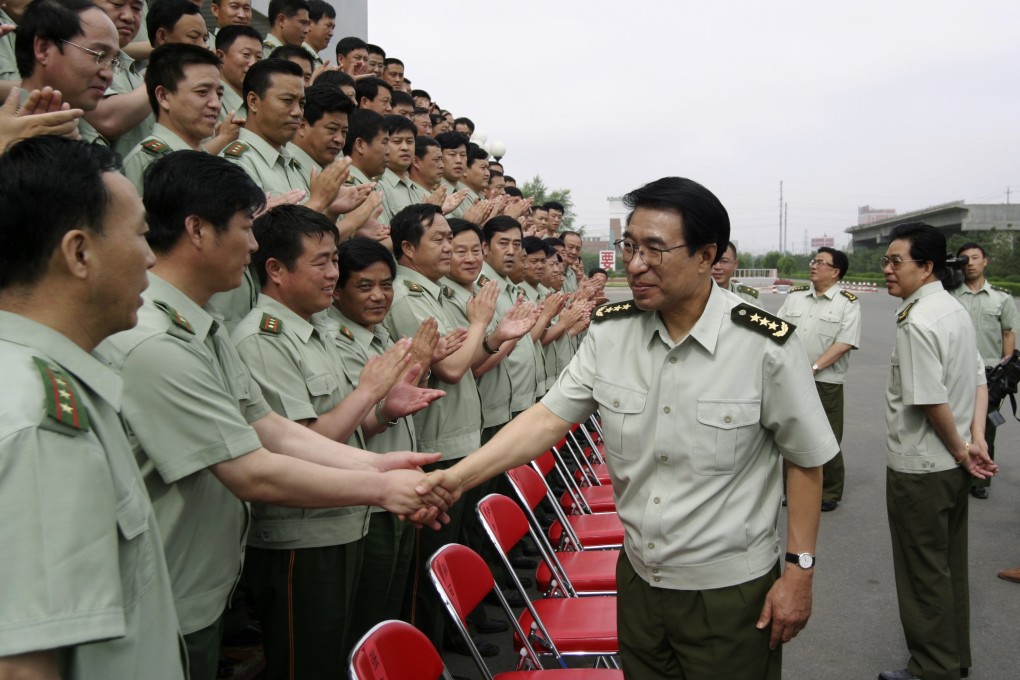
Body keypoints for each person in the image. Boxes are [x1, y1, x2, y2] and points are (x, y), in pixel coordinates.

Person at [422, 176, 839, 680]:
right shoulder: (612, 331)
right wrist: (456, 479)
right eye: (629, 247)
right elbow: (548, 418)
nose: (635, 265)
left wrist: (799, 571)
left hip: (729, 591)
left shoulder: (765, 344)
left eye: (655, 250)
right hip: (639, 579)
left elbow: (805, 460)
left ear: (708, 256)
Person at [97, 151, 450, 680]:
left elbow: (271, 429)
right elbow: (251, 469)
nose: (255, 245)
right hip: (169, 588)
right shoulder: (156, 341)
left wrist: (381, 465)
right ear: (198, 230)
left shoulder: (202, 328)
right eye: (245, 228)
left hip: (202, 577)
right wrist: (380, 487)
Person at [0, 136, 186, 680]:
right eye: (140, 236)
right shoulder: (42, 421)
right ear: (79, 253)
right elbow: (24, 666)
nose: (151, 256)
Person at [232, 205, 443, 676]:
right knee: (309, 661)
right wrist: (370, 394)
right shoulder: (262, 339)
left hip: (345, 517)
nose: (333, 274)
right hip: (301, 532)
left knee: (352, 649)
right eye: (323, 263)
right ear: (276, 270)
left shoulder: (314, 331)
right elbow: (296, 442)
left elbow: (340, 431)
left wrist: (384, 408)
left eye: (334, 261)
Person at [878, 222, 996, 680]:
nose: (887, 269)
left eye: (895, 261)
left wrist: (965, 448)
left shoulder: (918, 320)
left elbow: (930, 399)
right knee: (949, 566)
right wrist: (976, 440)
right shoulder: (953, 308)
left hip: (922, 467)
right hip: (952, 463)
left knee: (922, 572)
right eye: (886, 261)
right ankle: (954, 657)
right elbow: (979, 379)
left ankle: (932, 669)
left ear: (926, 267)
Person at [777, 247, 861, 512]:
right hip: (791, 378)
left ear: (836, 272)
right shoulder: (795, 297)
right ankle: (793, 488)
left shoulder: (847, 302)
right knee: (791, 434)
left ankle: (830, 491)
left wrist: (813, 367)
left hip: (826, 380)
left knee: (827, 437)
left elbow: (845, 342)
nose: (814, 266)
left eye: (821, 263)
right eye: (814, 261)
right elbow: (778, 329)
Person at [950, 242, 1018, 501]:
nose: (970, 263)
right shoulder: (951, 296)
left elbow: (1008, 333)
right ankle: (958, 471)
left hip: (990, 374)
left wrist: (1006, 369)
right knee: (955, 422)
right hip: (957, 369)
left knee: (987, 426)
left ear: (985, 261)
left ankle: (981, 479)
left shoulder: (1001, 298)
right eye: (964, 259)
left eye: (975, 258)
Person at [121, 44, 233, 194]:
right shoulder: (147, 160)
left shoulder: (206, 158)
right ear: (163, 96)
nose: (216, 104)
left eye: (219, 94)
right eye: (202, 92)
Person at [14, 0, 119, 140]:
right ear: (43, 49)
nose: (108, 74)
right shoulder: (9, 138)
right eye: (98, 55)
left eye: (113, 61)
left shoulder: (82, 134)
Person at [214, 24, 262, 123]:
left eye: (259, 57)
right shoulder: (211, 100)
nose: (253, 63)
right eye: (246, 54)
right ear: (220, 56)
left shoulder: (259, 102)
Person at [302, 0, 334, 68]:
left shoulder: (318, 63)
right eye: (328, 26)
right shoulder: (295, 55)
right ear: (309, 24)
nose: (331, 33)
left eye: (333, 28)